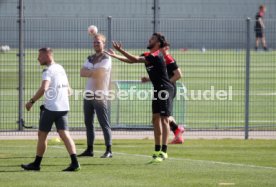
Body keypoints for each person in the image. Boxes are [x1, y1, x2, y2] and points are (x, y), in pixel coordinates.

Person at [106, 33, 174, 163]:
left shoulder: (156, 55)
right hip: (157, 89)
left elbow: (136, 59)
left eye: (153, 39)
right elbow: (132, 60)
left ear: (158, 43)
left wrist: (120, 50)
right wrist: (116, 56)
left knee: (164, 120)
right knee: (155, 119)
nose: (150, 39)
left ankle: (164, 152)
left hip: (165, 89)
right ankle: (156, 149)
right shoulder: (148, 55)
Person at [21, 48, 80, 172]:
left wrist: (31, 102)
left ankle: (36, 164)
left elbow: (44, 88)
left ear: (48, 55)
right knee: (64, 134)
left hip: (51, 108)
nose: (38, 59)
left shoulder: (48, 71)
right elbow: (69, 90)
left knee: (42, 135)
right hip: (64, 107)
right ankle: (75, 163)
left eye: (40, 56)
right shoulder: (60, 67)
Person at [78, 33, 112, 158]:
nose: (96, 44)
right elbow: (82, 72)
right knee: (88, 122)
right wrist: (93, 72)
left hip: (100, 94)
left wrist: (90, 72)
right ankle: (89, 149)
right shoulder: (90, 57)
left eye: (98, 42)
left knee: (104, 122)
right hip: (88, 93)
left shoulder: (106, 58)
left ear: (103, 43)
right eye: (94, 42)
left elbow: (100, 73)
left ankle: (109, 150)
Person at [141, 46, 184, 144]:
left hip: (168, 89)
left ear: (166, 48)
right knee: (163, 115)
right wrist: (148, 79)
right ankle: (177, 131)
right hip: (163, 88)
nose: (159, 49)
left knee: (163, 115)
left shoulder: (168, 59)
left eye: (161, 47)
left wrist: (167, 84)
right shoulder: (160, 59)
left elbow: (178, 75)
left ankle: (177, 129)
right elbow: (161, 77)